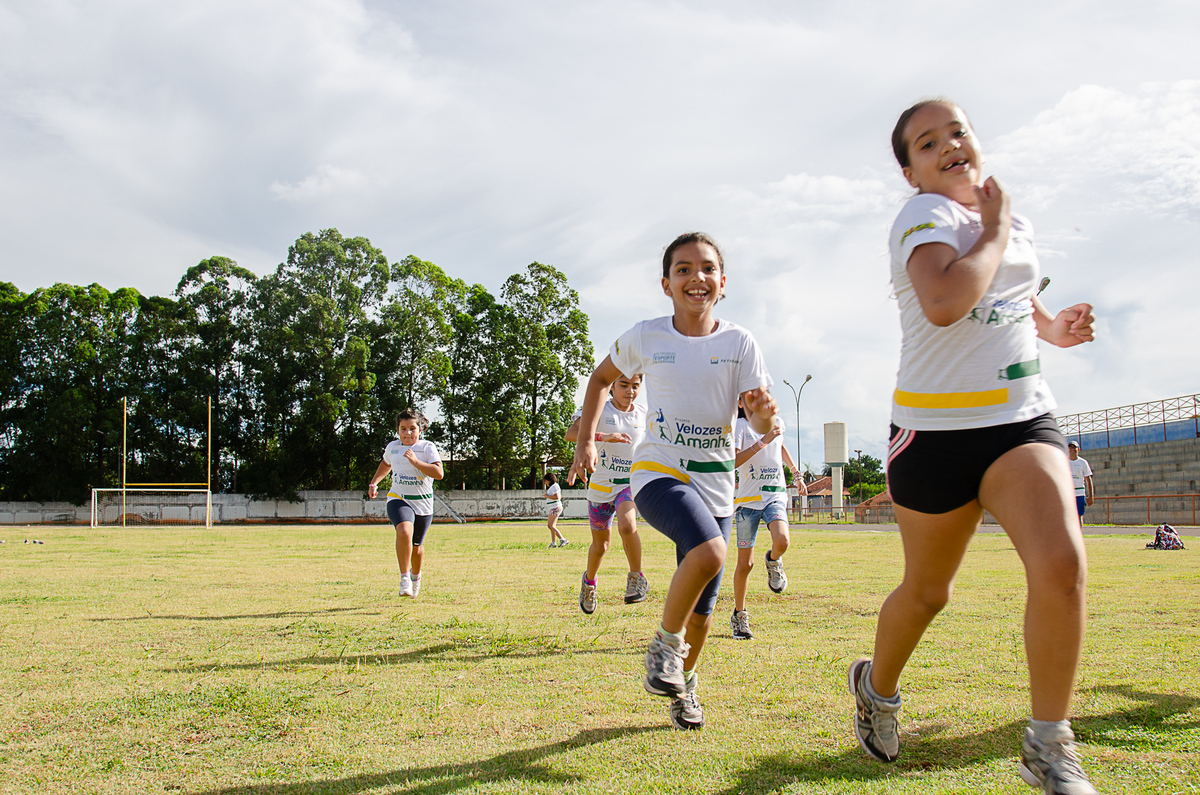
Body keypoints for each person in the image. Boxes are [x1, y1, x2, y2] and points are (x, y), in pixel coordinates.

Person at [849, 99, 1099, 793]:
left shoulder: (1009, 223)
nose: (949, 145)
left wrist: (1054, 328)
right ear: (911, 172)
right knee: (928, 591)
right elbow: (944, 301)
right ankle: (876, 688)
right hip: (932, 433)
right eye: (928, 143)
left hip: (1020, 420)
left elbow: (1009, 295)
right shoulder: (922, 217)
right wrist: (991, 226)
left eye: (957, 131)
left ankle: (1048, 744)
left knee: (1061, 564)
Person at [569, 231, 777, 731]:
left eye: (707, 268)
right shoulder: (648, 336)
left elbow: (757, 418)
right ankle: (663, 645)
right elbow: (600, 379)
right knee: (711, 552)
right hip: (659, 472)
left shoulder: (740, 343)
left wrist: (765, 415)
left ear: (722, 283)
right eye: (683, 269)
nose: (696, 277)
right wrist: (586, 441)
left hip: (717, 486)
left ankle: (683, 686)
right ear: (666, 284)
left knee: (703, 614)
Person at [565, 373, 649, 613]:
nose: (630, 391)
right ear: (611, 386)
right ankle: (589, 582)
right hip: (601, 487)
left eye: (635, 386)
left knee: (628, 525)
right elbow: (571, 434)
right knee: (601, 546)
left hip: (628, 484)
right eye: (624, 385)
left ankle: (636, 577)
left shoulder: (644, 414)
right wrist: (603, 437)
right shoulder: (599, 408)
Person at [730, 399, 798, 640]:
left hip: (774, 494)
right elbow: (733, 461)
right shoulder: (739, 426)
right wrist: (762, 441)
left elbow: (781, 447)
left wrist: (795, 472)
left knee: (782, 540)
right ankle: (739, 615)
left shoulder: (777, 422)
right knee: (745, 565)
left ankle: (773, 560)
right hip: (748, 501)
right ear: (740, 401)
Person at [367, 409, 444, 598]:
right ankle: (404, 579)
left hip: (422, 504)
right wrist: (374, 482)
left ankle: (415, 576)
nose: (407, 433)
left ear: (420, 430)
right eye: (403, 429)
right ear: (398, 430)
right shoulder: (393, 447)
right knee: (403, 531)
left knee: (417, 547)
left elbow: (439, 474)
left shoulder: (427, 448)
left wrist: (416, 462)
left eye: (412, 429)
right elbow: (386, 464)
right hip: (398, 498)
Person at [1067, 442, 1094, 526]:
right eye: (1070, 448)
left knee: (1079, 516)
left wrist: (1091, 496)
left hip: (1079, 492)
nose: (1072, 450)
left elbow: (1088, 479)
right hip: (1068, 493)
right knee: (1068, 516)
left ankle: (1079, 533)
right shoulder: (1064, 461)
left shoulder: (1083, 462)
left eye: (1074, 448)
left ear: (1078, 449)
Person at [544, 473, 568, 548]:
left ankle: (562, 539)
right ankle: (553, 543)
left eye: (546, 480)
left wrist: (547, 496)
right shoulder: (555, 486)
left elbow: (557, 497)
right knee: (552, 526)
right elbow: (559, 497)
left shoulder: (554, 486)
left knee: (550, 525)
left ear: (549, 480)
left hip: (555, 507)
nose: (545, 482)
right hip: (554, 507)